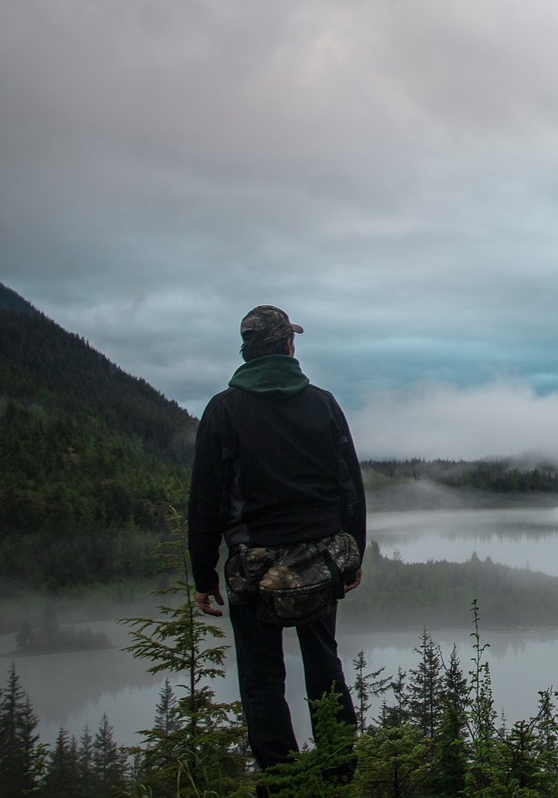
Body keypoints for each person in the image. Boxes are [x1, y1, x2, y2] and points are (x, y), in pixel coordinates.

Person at [187, 304, 366, 786]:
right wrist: (354, 559)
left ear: (248, 351)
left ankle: (283, 783)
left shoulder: (223, 409)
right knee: (323, 661)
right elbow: (351, 486)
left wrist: (203, 575)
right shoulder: (322, 403)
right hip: (319, 563)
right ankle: (339, 776)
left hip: (254, 570)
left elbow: (205, 499)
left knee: (262, 678)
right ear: (289, 345)